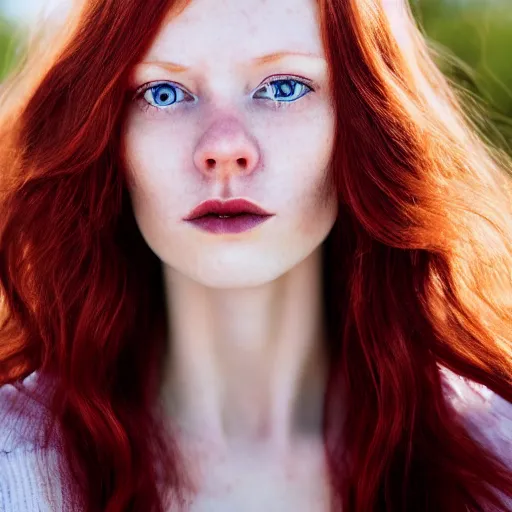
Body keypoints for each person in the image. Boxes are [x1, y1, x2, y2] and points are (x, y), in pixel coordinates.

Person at [0, 0, 511, 510]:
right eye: (163, 92)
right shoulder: (12, 470)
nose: (224, 147)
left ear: (367, 119)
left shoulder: (496, 461)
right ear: (107, 136)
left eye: (283, 88)